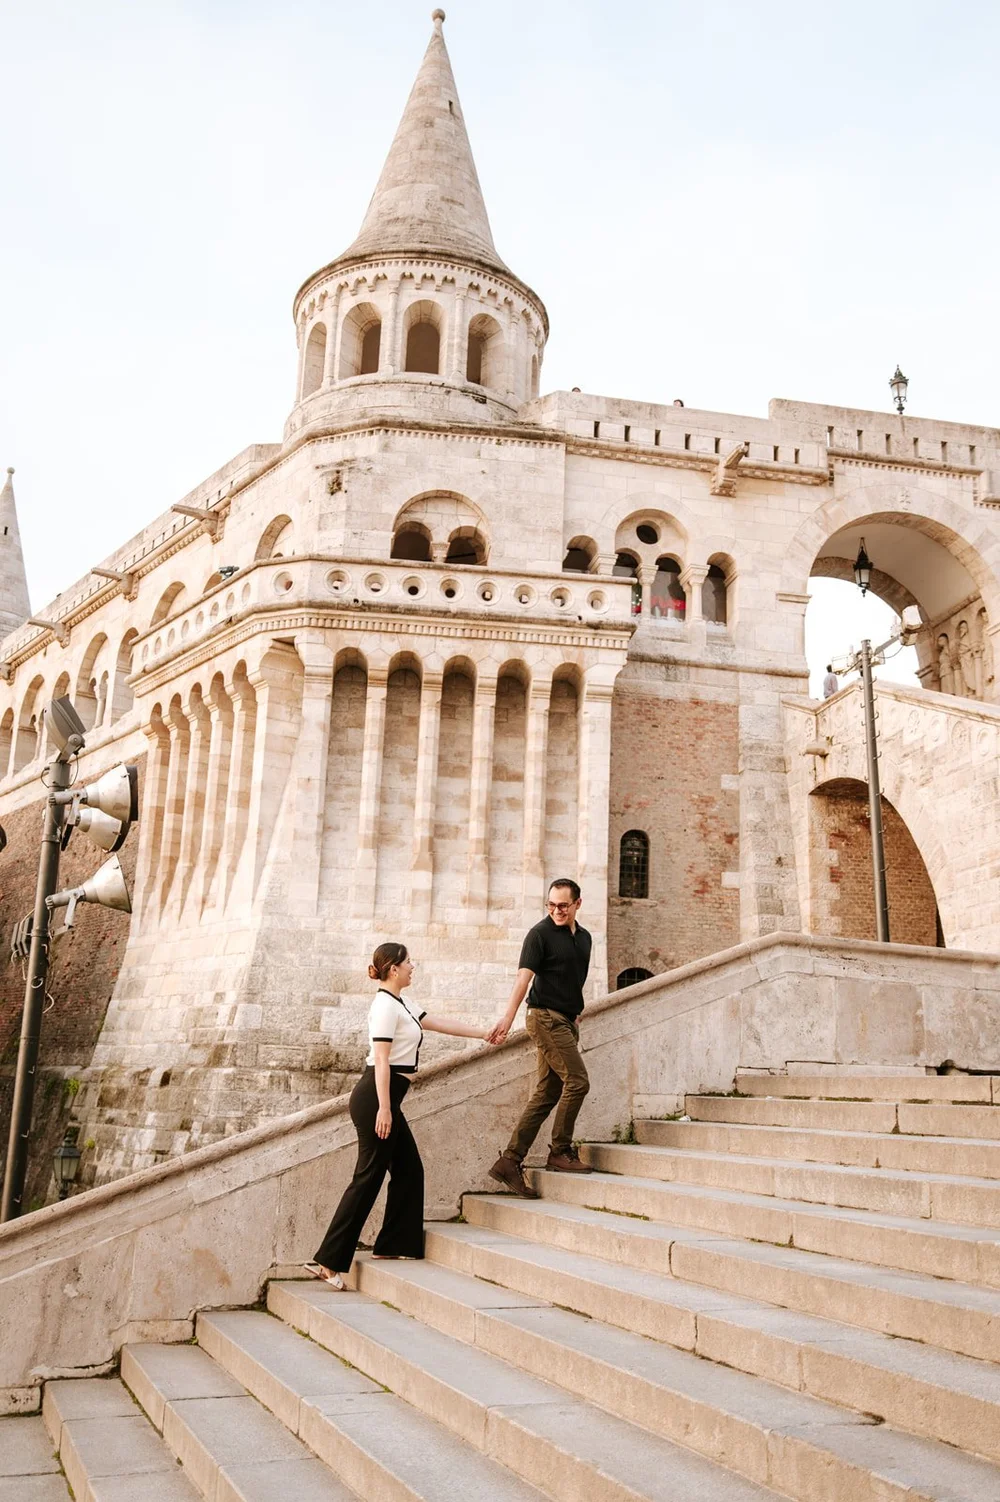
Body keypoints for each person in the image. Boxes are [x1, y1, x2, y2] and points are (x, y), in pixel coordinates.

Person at [306, 942, 492, 1288]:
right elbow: (380, 1059)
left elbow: (436, 1022)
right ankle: (329, 1262)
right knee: (368, 1177)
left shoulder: (402, 1002)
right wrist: (386, 1109)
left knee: (409, 1170)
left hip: (388, 1095)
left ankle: (392, 1245)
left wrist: (483, 1033)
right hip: (377, 1097)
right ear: (393, 969)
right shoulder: (383, 1007)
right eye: (408, 963)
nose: (413, 967)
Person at [487, 878, 592, 1197]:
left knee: (547, 1093)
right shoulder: (539, 934)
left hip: (566, 1020)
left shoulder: (585, 938)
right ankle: (560, 1151)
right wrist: (507, 1018)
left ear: (577, 904)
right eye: (551, 905)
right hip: (544, 1017)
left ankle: (510, 1161)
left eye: (563, 905)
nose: (556, 911)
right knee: (578, 1081)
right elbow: (524, 979)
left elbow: (576, 977)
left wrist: (575, 1011)